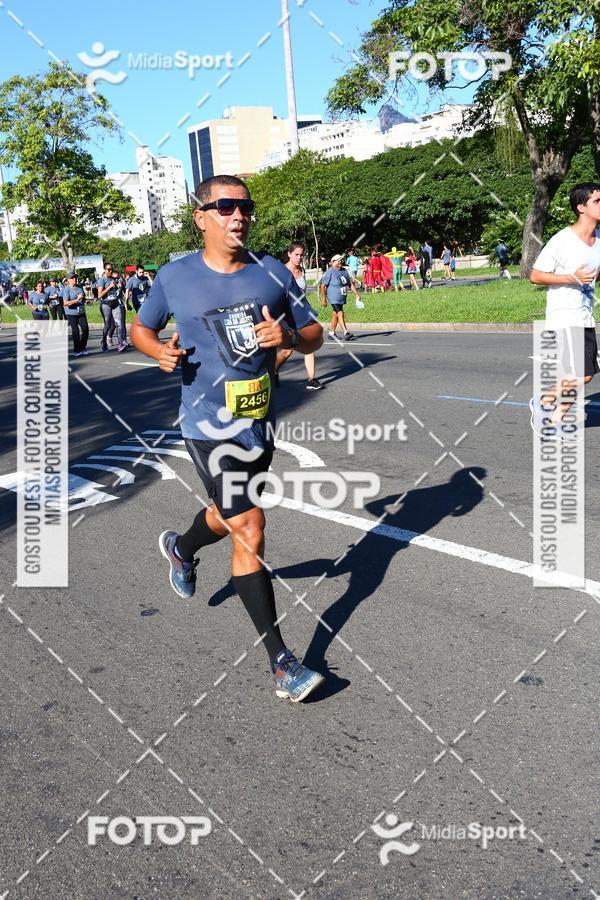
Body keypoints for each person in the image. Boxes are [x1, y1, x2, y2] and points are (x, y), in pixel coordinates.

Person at [131, 174, 325, 703]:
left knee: (228, 513)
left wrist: (288, 336)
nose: (238, 215)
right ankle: (282, 663)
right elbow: (142, 328)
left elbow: (315, 334)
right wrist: (158, 352)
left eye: (245, 207)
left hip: (258, 420)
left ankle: (181, 548)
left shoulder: (273, 272)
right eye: (225, 206)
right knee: (249, 526)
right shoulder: (175, 275)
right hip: (206, 426)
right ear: (201, 217)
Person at [529, 182, 600, 432]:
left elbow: (594, 273)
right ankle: (543, 403)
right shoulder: (562, 240)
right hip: (565, 317)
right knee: (580, 375)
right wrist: (572, 277)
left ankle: (552, 420)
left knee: (585, 375)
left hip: (585, 315)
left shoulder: (599, 240)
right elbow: (535, 276)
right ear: (581, 207)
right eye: (597, 201)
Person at [274, 241, 323, 391]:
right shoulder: (282, 272)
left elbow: (302, 294)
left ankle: (311, 379)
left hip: (302, 314)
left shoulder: (302, 270)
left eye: (301, 255)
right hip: (287, 316)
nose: (299, 258)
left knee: (309, 344)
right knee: (287, 350)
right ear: (289, 254)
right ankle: (274, 371)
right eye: (296, 254)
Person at [321, 253, 361, 341]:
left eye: (341, 260)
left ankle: (331, 333)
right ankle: (346, 332)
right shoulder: (330, 271)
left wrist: (356, 293)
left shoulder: (344, 271)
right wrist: (324, 299)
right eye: (338, 260)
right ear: (333, 262)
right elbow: (323, 286)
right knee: (340, 313)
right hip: (333, 296)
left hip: (341, 296)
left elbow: (350, 283)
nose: (340, 261)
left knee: (335, 314)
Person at [97, 262, 127, 352]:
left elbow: (116, 291)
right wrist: (109, 287)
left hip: (115, 303)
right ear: (104, 270)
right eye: (108, 269)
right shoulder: (101, 280)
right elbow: (99, 295)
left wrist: (119, 286)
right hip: (106, 304)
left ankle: (121, 343)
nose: (110, 271)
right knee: (107, 324)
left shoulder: (113, 279)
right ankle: (104, 342)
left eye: (111, 269)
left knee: (119, 323)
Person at [62, 272, 89, 356]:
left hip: (81, 312)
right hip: (71, 313)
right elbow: (65, 303)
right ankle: (76, 349)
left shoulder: (80, 288)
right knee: (75, 331)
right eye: (72, 278)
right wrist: (76, 300)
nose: (74, 279)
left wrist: (86, 300)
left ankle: (82, 346)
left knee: (85, 329)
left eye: (75, 277)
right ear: (68, 280)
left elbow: (82, 299)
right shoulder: (66, 289)